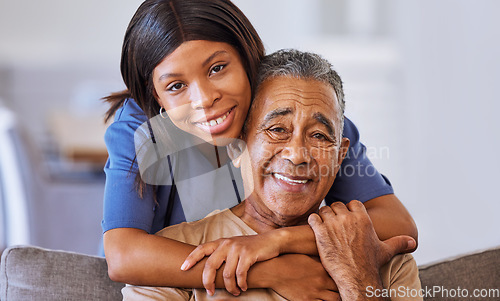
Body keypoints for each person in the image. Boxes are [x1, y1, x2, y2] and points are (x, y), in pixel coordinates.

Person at [102, 0, 418, 297]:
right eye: (176, 86)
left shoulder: (305, 119)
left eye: (216, 69)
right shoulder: (140, 130)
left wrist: (276, 242)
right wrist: (271, 271)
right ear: (156, 96)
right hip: (174, 276)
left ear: (247, 59)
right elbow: (122, 255)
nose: (204, 100)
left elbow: (397, 223)